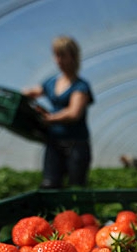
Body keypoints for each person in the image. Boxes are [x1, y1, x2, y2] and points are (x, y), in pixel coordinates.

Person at [23, 35, 94, 188]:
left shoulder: (80, 86)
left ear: (73, 57)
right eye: (56, 55)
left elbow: (74, 113)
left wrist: (51, 119)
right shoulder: (51, 82)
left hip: (76, 144)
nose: (58, 60)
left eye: (62, 55)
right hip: (54, 142)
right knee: (49, 184)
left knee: (76, 187)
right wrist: (21, 95)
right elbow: (33, 92)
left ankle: (76, 213)